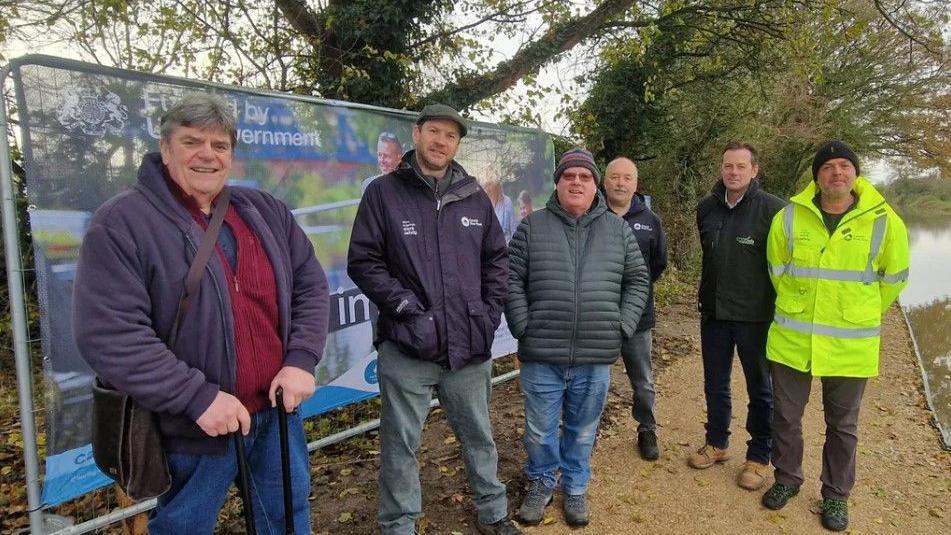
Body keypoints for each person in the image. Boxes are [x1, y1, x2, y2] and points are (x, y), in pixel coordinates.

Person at [72, 93, 330, 533]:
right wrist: (198, 397)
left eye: (220, 145)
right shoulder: (122, 222)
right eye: (193, 141)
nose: (207, 155)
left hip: (274, 414)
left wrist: (301, 359)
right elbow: (111, 334)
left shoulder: (264, 211)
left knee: (287, 520)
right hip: (189, 427)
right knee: (182, 528)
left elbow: (310, 284)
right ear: (166, 148)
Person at [347, 104, 520, 535]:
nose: (441, 141)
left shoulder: (474, 196)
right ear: (417, 133)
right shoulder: (383, 193)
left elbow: (497, 261)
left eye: (450, 136)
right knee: (399, 446)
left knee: (479, 436)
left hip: (468, 347)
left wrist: (486, 315)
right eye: (434, 132)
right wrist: (407, 309)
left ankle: (493, 513)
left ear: (457, 145)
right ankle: (399, 526)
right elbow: (364, 261)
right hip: (407, 347)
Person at [760, 140, 909, 532]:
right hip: (794, 340)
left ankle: (836, 496)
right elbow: (777, 269)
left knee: (843, 426)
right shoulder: (789, 217)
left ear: (856, 174)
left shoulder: (884, 221)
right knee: (786, 417)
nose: (837, 173)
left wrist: (859, 311)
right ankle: (787, 480)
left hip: (850, 345)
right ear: (817, 176)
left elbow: (894, 279)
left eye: (845, 165)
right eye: (828, 167)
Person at [506, 148, 650, 527]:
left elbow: (638, 280)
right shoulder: (532, 226)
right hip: (541, 355)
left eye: (584, 177)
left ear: (595, 185)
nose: (576, 182)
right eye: (569, 176)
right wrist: (523, 326)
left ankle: (574, 485)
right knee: (539, 430)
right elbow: (509, 280)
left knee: (583, 430)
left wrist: (620, 327)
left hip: (594, 354)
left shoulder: (618, 230)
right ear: (558, 183)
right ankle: (540, 482)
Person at [691, 142, 786, 490]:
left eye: (741, 167)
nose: (733, 172)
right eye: (728, 166)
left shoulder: (775, 211)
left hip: (756, 316)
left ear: (754, 170)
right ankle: (717, 443)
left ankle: (759, 456)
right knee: (715, 383)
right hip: (714, 313)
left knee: (761, 389)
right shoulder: (706, 208)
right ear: (721, 168)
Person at [602, 157, 668, 461]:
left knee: (642, 379)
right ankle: (586, 432)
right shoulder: (590, 214)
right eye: (615, 176)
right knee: (593, 380)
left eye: (627, 178)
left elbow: (658, 263)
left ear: (635, 183)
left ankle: (646, 428)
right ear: (605, 181)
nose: (620, 182)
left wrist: (634, 295)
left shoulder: (650, 220)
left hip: (639, 316)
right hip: (597, 315)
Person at [479, 171, 520, 243]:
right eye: (484, 185)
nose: (487, 189)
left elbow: (514, 230)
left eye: (489, 185)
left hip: (505, 248)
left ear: (496, 185)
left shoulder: (507, 202)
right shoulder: (481, 204)